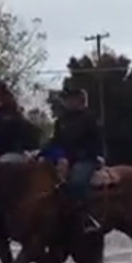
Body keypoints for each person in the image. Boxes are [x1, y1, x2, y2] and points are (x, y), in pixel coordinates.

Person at [40, 87, 103, 232]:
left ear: (80, 100)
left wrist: (71, 157)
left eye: (70, 99)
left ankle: (85, 217)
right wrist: (41, 153)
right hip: (64, 158)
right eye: (66, 99)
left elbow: (94, 143)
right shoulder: (61, 120)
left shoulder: (90, 118)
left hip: (86, 158)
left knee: (77, 180)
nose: (66, 102)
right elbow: (56, 140)